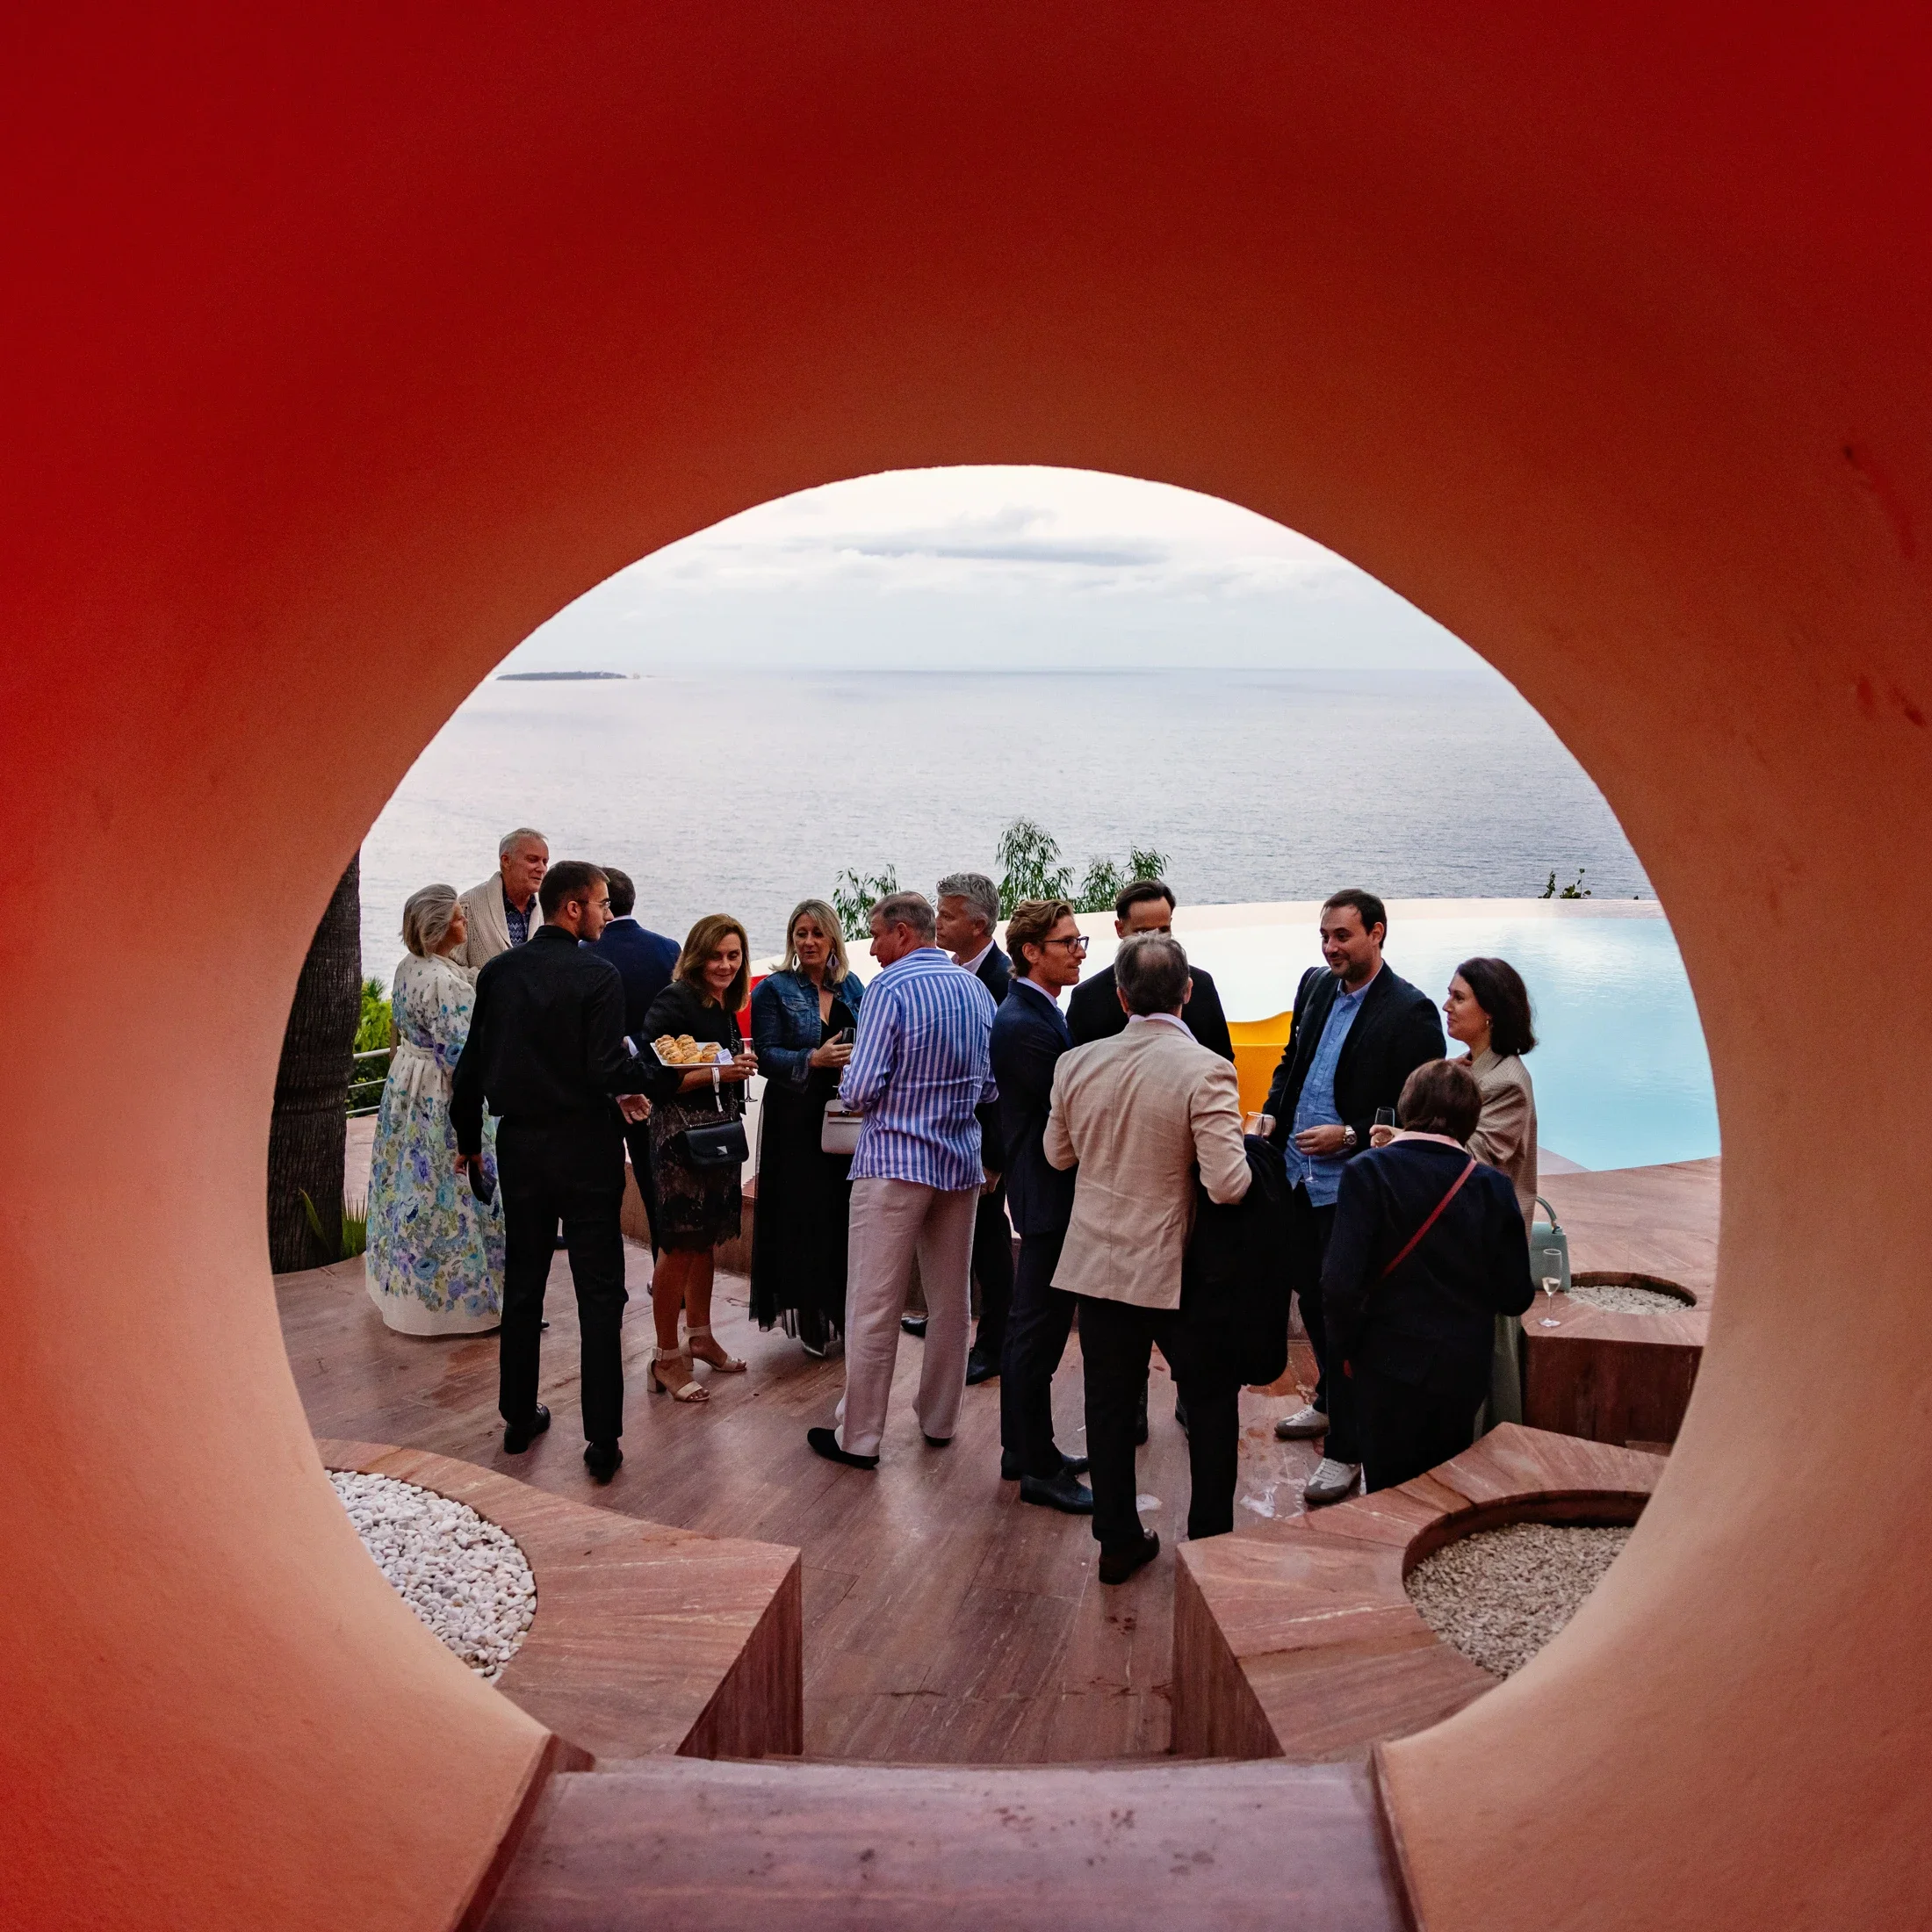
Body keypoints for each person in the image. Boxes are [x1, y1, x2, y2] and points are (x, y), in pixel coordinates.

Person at [1044, 933, 1252, 1583]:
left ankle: (1116, 1541)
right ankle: (1212, 1542)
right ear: (1188, 992)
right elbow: (1229, 1184)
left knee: (1106, 1406)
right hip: (1179, 1267)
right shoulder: (1207, 1070)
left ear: (1121, 995)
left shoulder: (1075, 1064)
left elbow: (1058, 1156)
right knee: (1211, 1401)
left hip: (1098, 1262)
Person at [450, 861, 652, 1482]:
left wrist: (469, 1140)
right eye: (598, 904)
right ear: (572, 909)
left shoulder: (500, 973)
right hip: (587, 1146)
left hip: (520, 1145)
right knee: (599, 1291)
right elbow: (605, 1068)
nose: (604, 915)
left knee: (524, 1281)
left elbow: (473, 1063)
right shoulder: (598, 976)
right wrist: (658, 1072)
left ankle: (517, 1416)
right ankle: (602, 1441)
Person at [1258, 890, 1445, 1506]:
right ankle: (1330, 1403)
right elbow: (1292, 1061)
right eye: (1325, 936)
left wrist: (1351, 1135)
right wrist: (1271, 1117)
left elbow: (1419, 1117)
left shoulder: (1411, 1012)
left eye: (1342, 936)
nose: (1331, 948)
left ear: (1377, 933)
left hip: (1352, 1190)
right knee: (1310, 1297)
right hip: (1294, 1178)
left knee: (1351, 1318)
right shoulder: (1315, 986)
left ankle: (1347, 1452)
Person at [807, 891, 996, 1469]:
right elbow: (990, 1086)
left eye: (876, 935)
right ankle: (940, 1420)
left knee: (873, 1300)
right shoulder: (976, 989)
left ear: (903, 934)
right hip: (959, 1161)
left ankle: (859, 1438)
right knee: (952, 1299)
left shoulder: (890, 989)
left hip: (893, 1163)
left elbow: (860, 1088)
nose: (871, 948)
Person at [1323, 1059, 1536, 1490]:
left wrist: (1347, 1351)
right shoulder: (1492, 1187)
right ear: (1471, 1119)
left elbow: (1338, 1284)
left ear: (1406, 1108)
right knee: (1445, 1487)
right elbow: (1516, 1295)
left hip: (1384, 1365)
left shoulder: (1368, 1172)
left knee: (1388, 1488)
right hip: (1460, 1371)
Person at [365, 885, 505, 1335]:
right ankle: (463, 1305)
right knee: (459, 1194)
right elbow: (460, 1056)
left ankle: (407, 1293)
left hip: (407, 1085)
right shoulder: (444, 983)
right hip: (439, 1093)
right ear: (442, 927)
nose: (466, 923)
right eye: (461, 917)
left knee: (412, 1185)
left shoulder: (410, 967)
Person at [990, 898, 1092, 1513]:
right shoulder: (1024, 1023)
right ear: (1032, 952)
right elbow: (1070, 1106)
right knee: (1037, 1331)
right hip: (1046, 1192)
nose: (1079, 951)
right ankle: (1035, 1465)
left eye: (1080, 942)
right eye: (1068, 943)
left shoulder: (1039, 1010)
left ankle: (1022, 1450)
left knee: (1037, 1327)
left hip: (1043, 1190)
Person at [638, 915, 761, 1402]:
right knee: (679, 1245)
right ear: (696, 955)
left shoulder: (723, 1003)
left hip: (717, 1135)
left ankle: (702, 1336)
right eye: (716, 955)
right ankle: (666, 1356)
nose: (726, 965)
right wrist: (720, 1075)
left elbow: (721, 1064)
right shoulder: (674, 1001)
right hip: (680, 1139)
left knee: (706, 1240)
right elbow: (652, 1075)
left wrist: (733, 1072)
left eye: (733, 956)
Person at [750, 898, 866, 1354]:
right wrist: (811, 1059)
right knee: (803, 1213)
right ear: (791, 939)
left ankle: (842, 1311)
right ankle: (812, 1318)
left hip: (844, 1112)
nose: (809, 941)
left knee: (843, 1210)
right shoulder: (773, 989)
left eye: (817, 933)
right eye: (801, 933)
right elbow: (765, 1054)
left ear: (833, 937)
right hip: (795, 1115)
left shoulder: (853, 985)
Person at [920, 869, 1013, 1384]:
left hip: (984, 1145)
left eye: (948, 916)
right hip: (952, 1140)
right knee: (957, 1239)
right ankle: (945, 1320)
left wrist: (994, 1158)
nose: (938, 923)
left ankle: (995, 1343)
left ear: (979, 925)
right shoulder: (955, 970)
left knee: (989, 1242)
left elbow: (1003, 1079)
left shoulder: (1000, 981)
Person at [595, 867, 681, 1255]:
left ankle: (607, 1271)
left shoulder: (585, 952)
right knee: (654, 1181)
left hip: (598, 1089)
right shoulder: (668, 949)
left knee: (601, 1187)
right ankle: (667, 1272)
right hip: (652, 1081)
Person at [1066, 878, 1235, 1061]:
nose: (1155, 940)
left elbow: (1223, 1058)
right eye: (1143, 932)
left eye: (1164, 930)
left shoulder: (1202, 986)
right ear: (1120, 929)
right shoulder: (1088, 998)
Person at [454, 828, 549, 968]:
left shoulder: (549, 909)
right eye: (533, 860)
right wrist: (486, 982)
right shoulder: (467, 906)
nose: (542, 869)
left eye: (545, 862)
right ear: (506, 860)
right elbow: (449, 966)